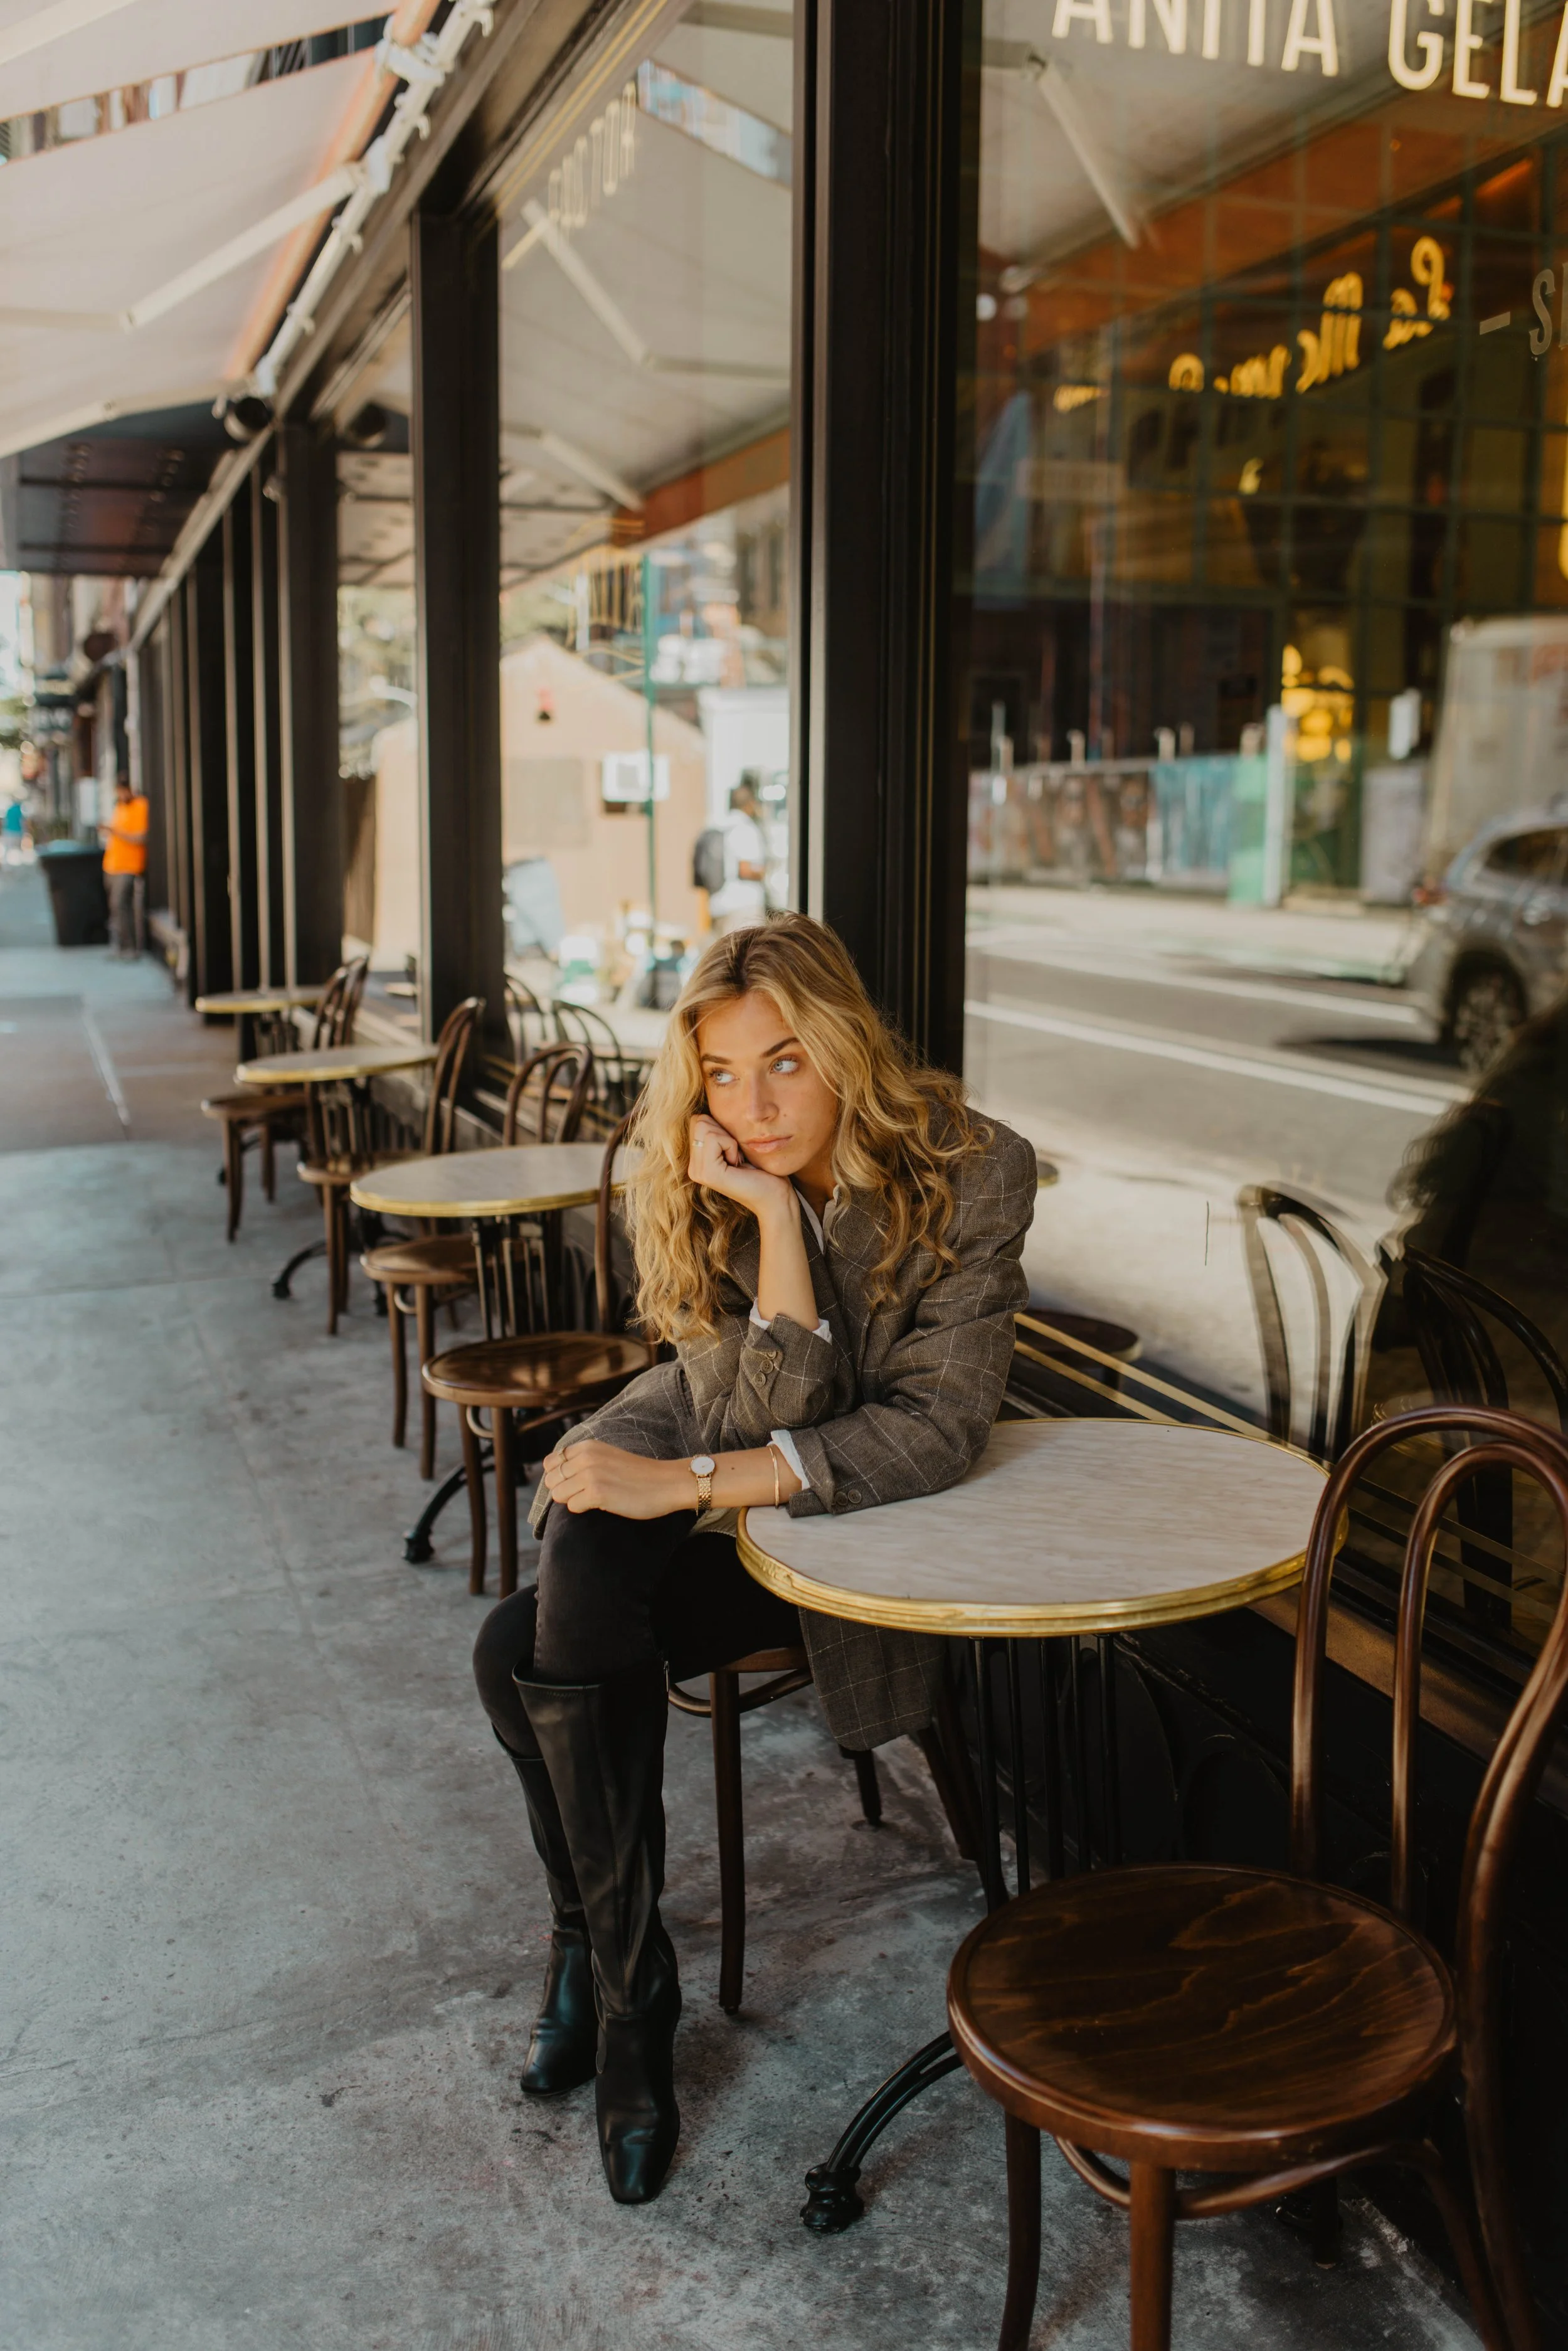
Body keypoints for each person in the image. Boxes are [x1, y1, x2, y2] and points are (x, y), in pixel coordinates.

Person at [472, 911, 1036, 2205]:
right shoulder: (716, 1173)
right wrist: (772, 1212)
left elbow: (929, 1428)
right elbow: (750, 1397)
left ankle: (605, 1976)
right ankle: (626, 1986)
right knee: (532, 1618)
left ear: (845, 1046)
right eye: (721, 1073)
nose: (753, 1103)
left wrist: (678, 1481)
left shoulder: (973, 1169)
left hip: (871, 1534)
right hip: (760, 1475)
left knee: (522, 1643)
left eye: (784, 1060)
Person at [706, 775, 767, 936]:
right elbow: (745, 869)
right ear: (749, 804)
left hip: (719, 904)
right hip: (743, 907)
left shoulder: (720, 826)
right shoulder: (746, 829)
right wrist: (764, 873)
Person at [100, 773, 149, 957]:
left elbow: (140, 837)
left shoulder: (141, 806)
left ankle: (130, 947)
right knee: (115, 908)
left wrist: (115, 832)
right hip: (112, 865)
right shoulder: (120, 807)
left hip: (129, 866)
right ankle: (121, 947)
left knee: (120, 904)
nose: (121, 795)